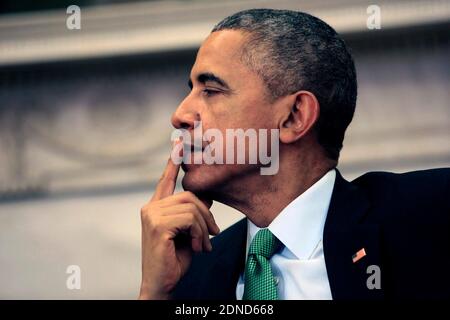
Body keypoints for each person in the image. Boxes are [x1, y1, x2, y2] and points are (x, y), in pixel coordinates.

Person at [138, 9, 450, 300]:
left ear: (294, 117)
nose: (179, 115)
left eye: (210, 90)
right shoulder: (191, 274)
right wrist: (156, 294)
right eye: (190, 89)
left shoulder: (430, 212)